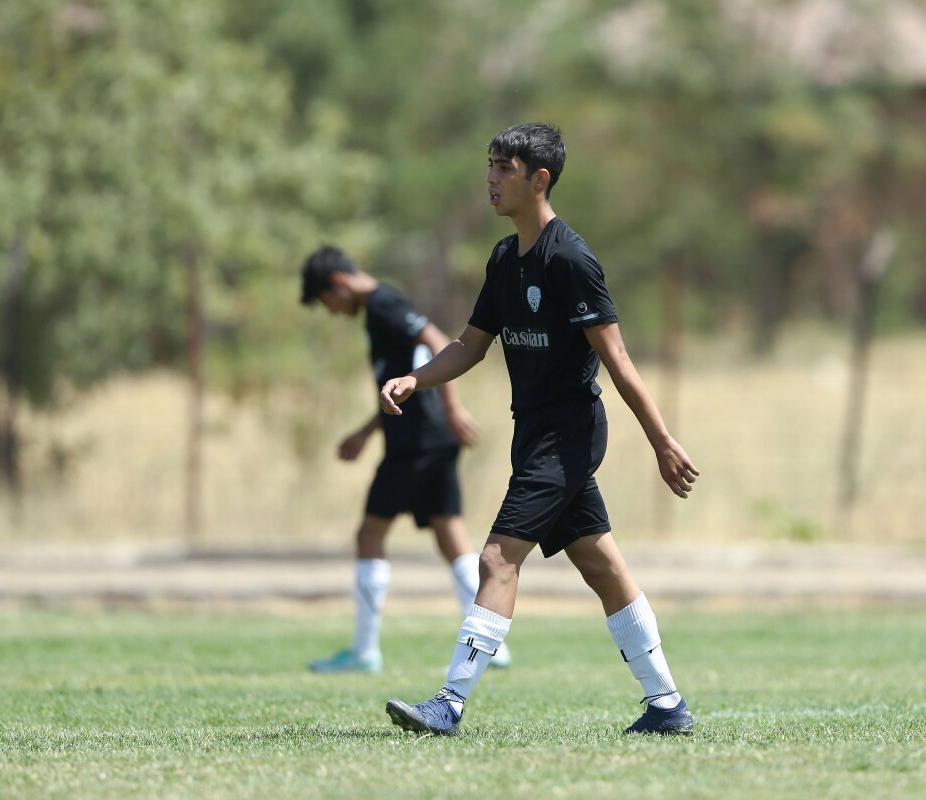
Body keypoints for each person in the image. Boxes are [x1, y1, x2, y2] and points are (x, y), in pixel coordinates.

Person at [378, 122, 699, 736]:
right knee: (600, 564)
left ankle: (449, 703)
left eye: (505, 167)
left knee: (497, 559)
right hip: (534, 435)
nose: (491, 178)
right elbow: (469, 346)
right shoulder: (504, 258)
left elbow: (617, 359)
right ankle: (666, 705)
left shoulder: (570, 259)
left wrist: (662, 441)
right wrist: (415, 379)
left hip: (568, 435)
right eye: (490, 164)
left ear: (539, 179)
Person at [299, 245, 511, 674]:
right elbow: (399, 387)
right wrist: (366, 431)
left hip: (416, 441)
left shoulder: (382, 303)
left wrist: (453, 408)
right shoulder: (379, 307)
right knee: (449, 533)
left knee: (370, 534)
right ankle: (492, 646)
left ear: (338, 283)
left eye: (326, 302)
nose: (332, 311)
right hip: (428, 437)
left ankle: (364, 652)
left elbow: (437, 341)